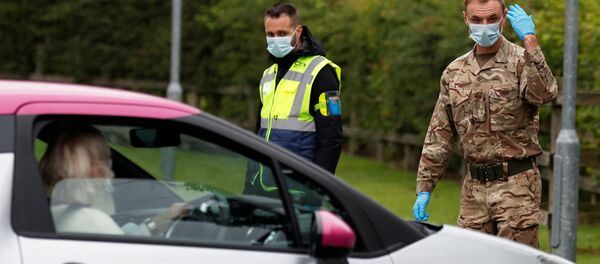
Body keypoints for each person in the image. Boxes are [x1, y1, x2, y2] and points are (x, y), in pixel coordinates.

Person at [413, 0, 558, 248]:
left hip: (516, 185)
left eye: (492, 18)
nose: (485, 26)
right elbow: (440, 133)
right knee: (472, 257)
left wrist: (531, 42)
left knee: (515, 259)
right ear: (465, 19)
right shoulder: (454, 72)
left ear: (503, 19)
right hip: (474, 188)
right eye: (477, 20)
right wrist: (425, 186)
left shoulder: (522, 61)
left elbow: (545, 94)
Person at [245, 3, 343, 194]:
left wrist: (317, 190)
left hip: (299, 189)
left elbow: (331, 138)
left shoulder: (321, 72)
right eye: (270, 35)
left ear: (298, 31)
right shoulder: (268, 74)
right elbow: (260, 132)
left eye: (282, 34)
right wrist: (249, 185)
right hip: (261, 184)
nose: (275, 40)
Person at [40, 125, 185, 235]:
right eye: (104, 164)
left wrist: (158, 221)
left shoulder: (46, 213)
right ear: (92, 171)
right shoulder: (90, 220)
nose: (110, 174)